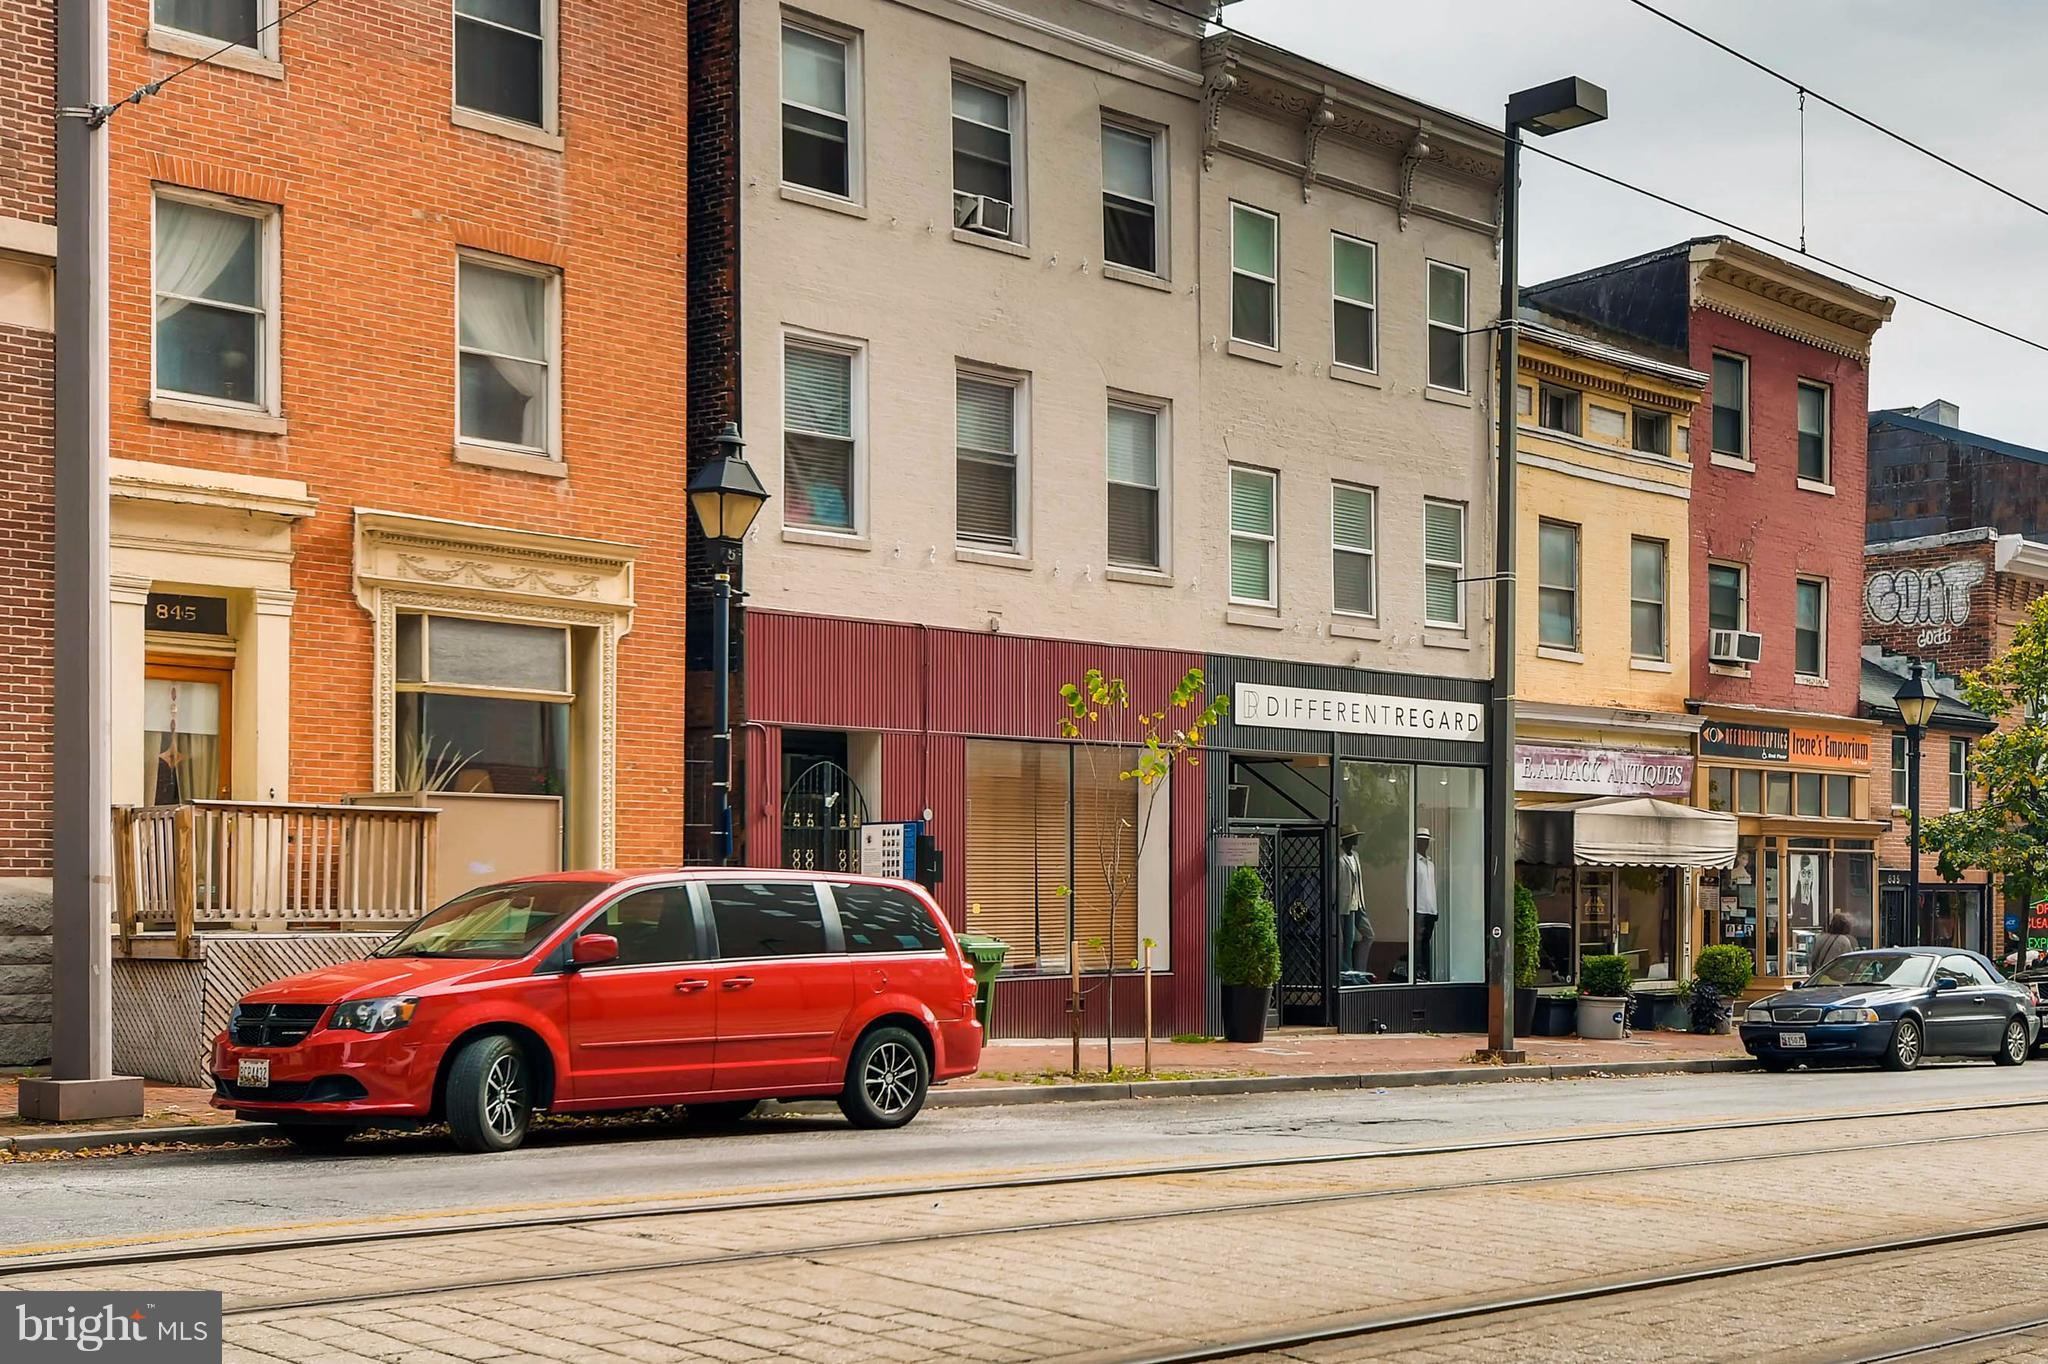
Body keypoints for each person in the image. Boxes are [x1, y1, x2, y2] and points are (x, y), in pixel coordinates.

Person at [1336, 824, 1373, 980]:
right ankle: (1348, 973)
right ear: (1348, 839)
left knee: (1369, 935)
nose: (1357, 839)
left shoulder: (1355, 856)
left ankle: (1359, 971)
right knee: (1348, 941)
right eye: (1355, 836)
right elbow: (1335, 883)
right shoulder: (1339, 858)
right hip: (1346, 905)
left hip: (1358, 903)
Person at [1413, 828, 1439, 982]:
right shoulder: (1413, 863)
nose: (1425, 844)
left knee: (1426, 942)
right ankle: (1418, 971)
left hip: (1430, 908)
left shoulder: (1430, 864)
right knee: (1418, 941)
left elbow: (1432, 887)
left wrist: (1435, 908)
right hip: (1419, 908)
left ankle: (1426, 972)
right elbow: (1410, 886)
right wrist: (1411, 908)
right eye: (1422, 841)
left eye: (1426, 841)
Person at [1808, 911, 1855, 976]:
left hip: (1820, 976)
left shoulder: (1820, 938)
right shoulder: (1844, 941)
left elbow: (1813, 958)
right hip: (1836, 976)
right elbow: (1850, 960)